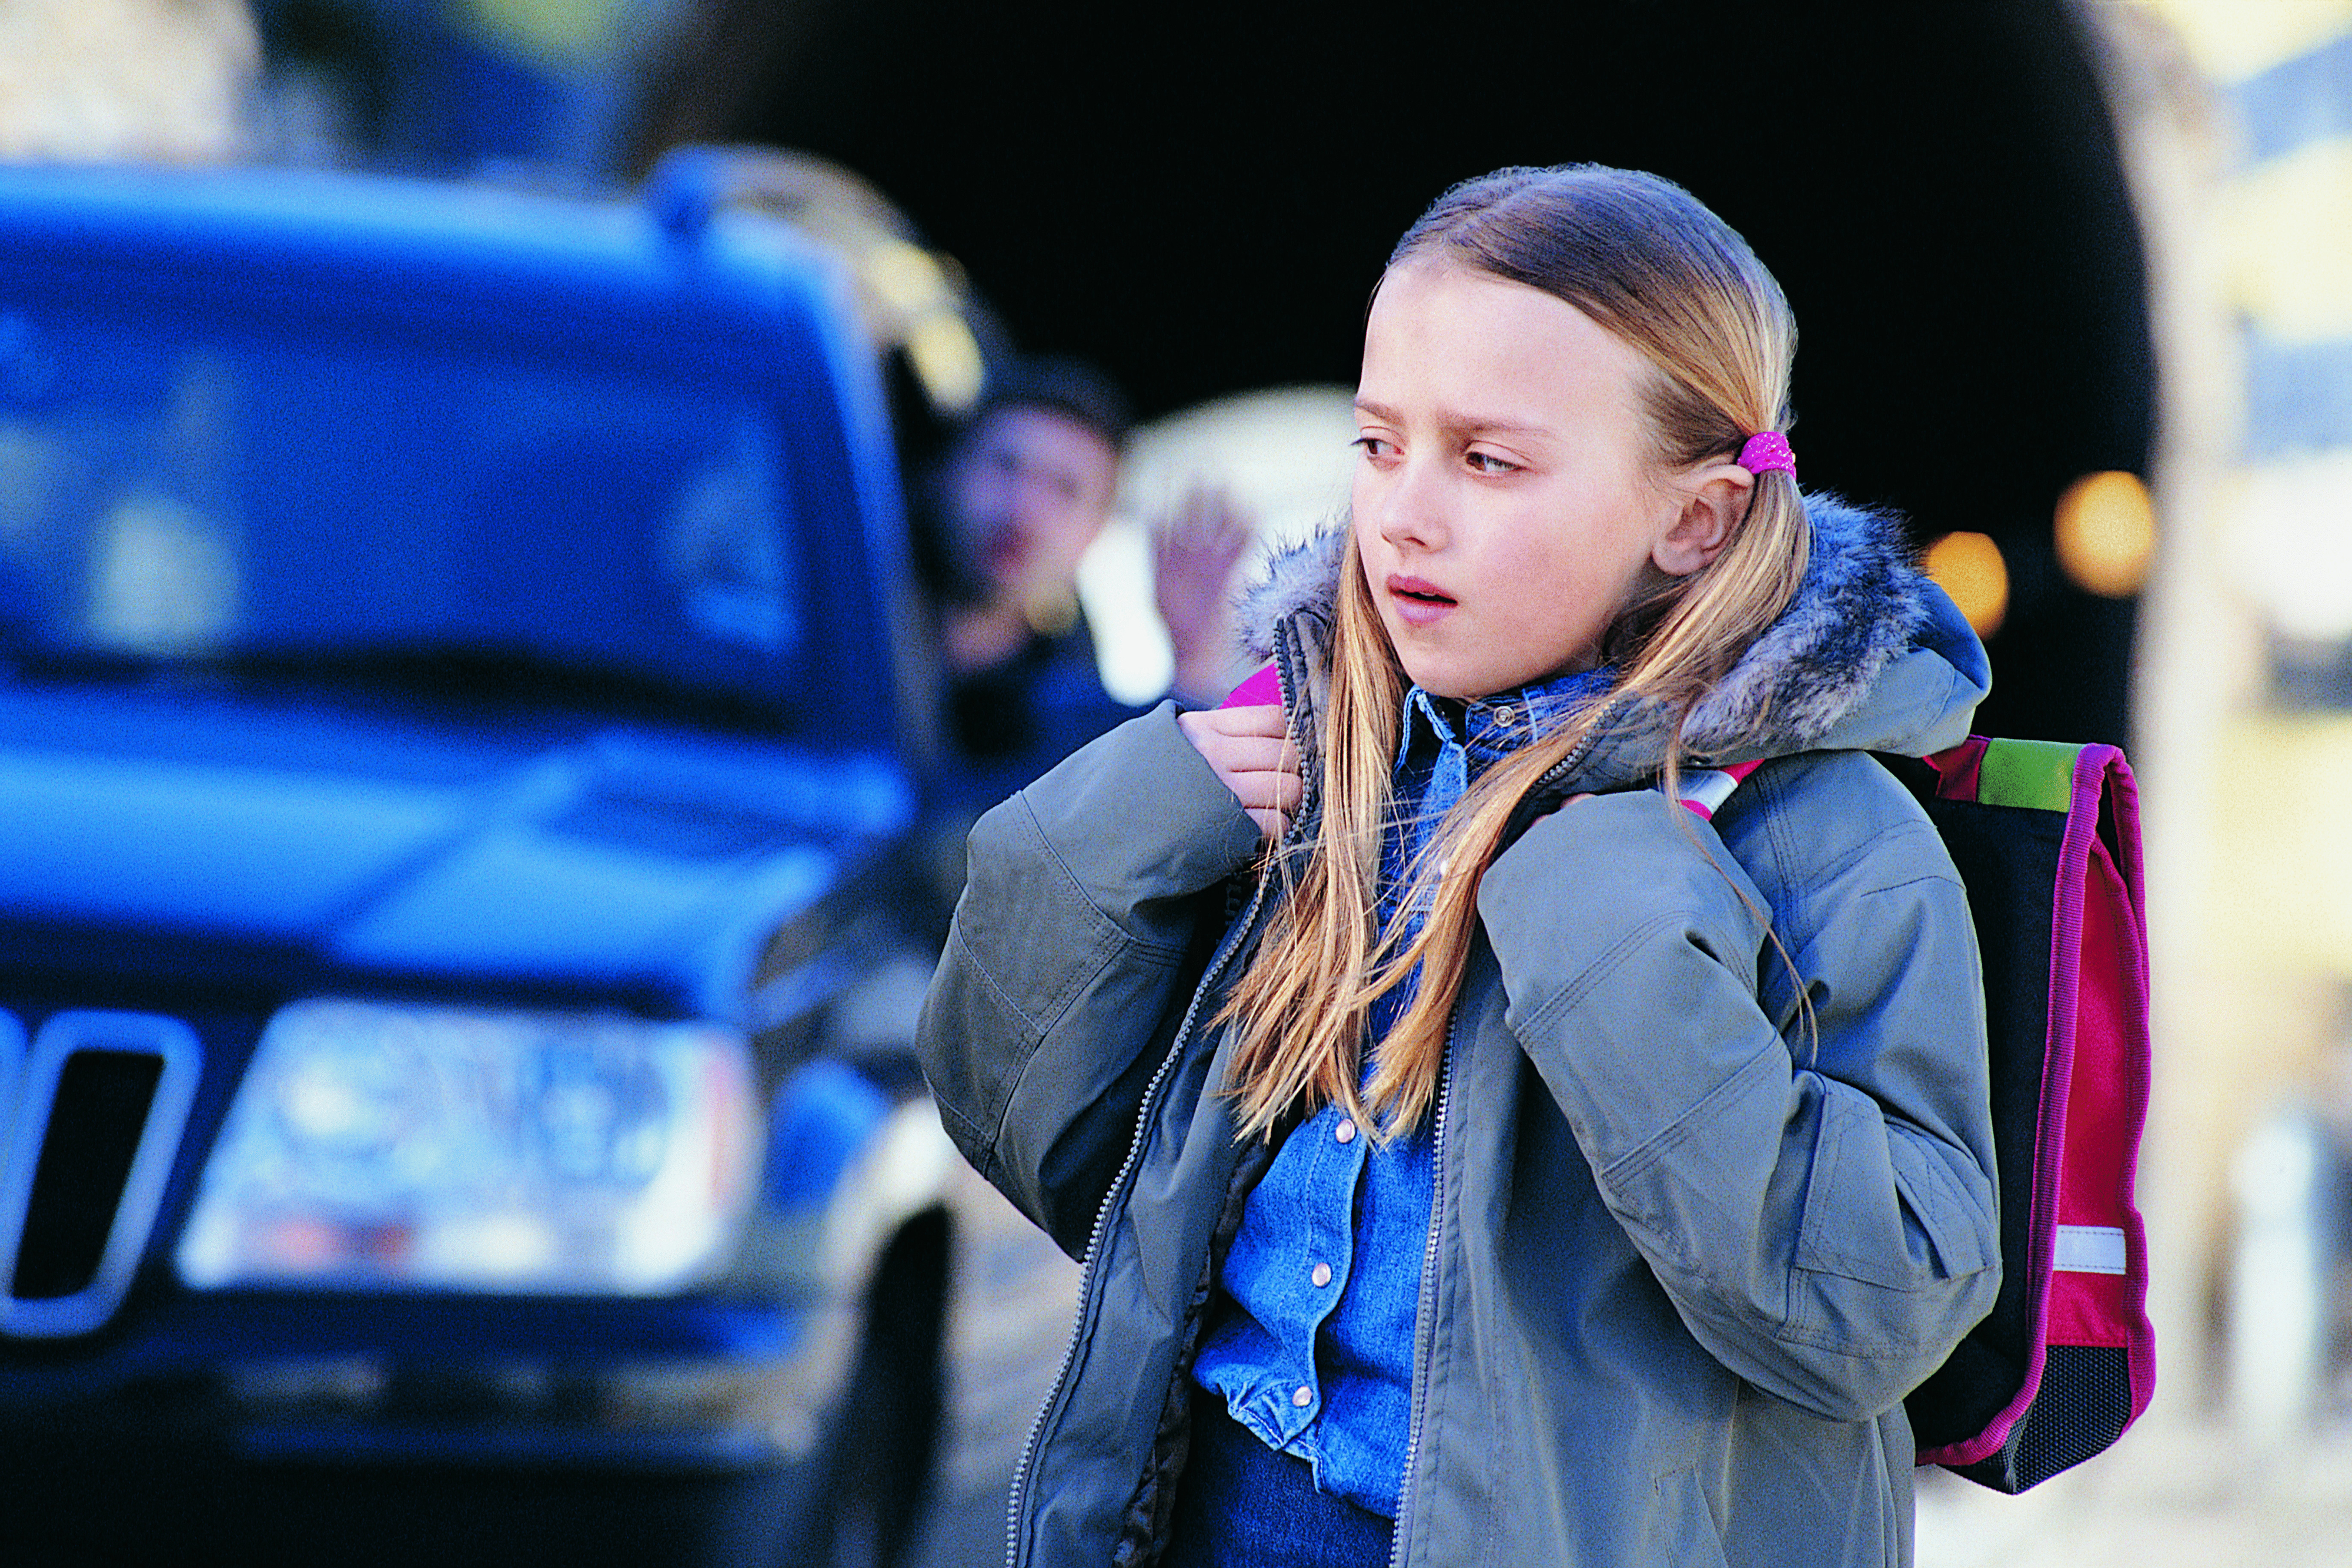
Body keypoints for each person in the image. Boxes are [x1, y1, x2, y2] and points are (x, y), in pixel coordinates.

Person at [918, 165, 2000, 1567]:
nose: (1404, 515)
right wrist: (1109, 836)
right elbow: (1082, 1175)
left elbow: (1877, 1310)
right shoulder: (1326, 765)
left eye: (1487, 460)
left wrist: (1613, 946)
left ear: (1696, 522)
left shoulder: (1826, 842)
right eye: (1379, 445)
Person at [915, 356, 1250, 804]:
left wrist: (1193, 657)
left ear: (1095, 534)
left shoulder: (1063, 713)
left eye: (1065, 490)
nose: (1024, 511)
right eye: (1007, 465)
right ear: (947, 471)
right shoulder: (823, 602)